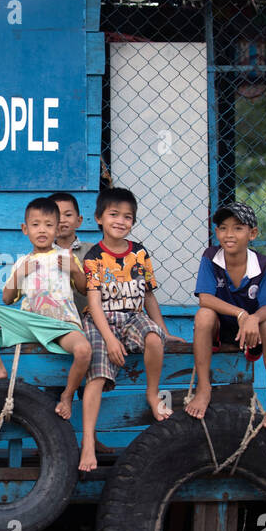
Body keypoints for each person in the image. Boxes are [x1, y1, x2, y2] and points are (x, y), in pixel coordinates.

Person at [79, 187, 182, 472]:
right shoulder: (94, 257)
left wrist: (163, 329)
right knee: (97, 375)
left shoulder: (139, 253)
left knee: (153, 338)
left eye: (128, 217)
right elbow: (94, 303)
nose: (121, 221)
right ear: (99, 218)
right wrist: (110, 339)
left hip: (133, 317)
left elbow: (148, 296)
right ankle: (88, 441)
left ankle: (152, 394)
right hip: (102, 321)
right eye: (114, 215)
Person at [0, 196, 92, 420]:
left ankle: (67, 395)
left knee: (83, 351)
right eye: (35, 225)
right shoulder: (22, 262)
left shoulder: (66, 256)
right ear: (25, 229)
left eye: (48, 225)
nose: (42, 230)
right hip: (31, 323)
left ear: (57, 230)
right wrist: (19, 274)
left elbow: (84, 289)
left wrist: (74, 270)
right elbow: (6, 299)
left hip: (62, 324)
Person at [185, 201, 266, 428]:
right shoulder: (211, 257)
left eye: (238, 228)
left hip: (249, 334)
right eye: (223, 228)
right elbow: (205, 298)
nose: (229, 234)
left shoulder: (263, 264)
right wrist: (242, 314)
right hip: (220, 329)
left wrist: (251, 319)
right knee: (203, 315)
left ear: (253, 233)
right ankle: (203, 388)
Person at [47, 191, 89, 317]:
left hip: (86, 320)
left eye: (68, 215)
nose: (62, 220)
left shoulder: (92, 251)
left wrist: (74, 270)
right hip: (53, 321)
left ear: (79, 220)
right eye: (57, 216)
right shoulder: (42, 254)